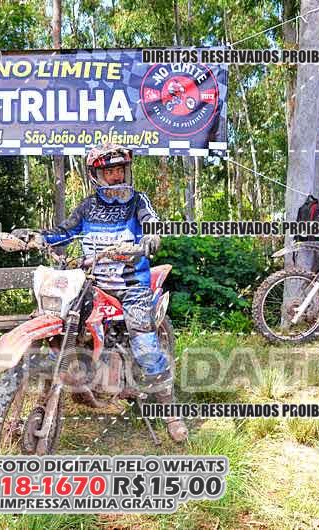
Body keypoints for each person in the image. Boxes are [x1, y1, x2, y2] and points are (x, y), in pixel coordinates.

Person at [12, 144, 188, 443]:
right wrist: (36, 237)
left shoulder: (137, 201)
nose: (116, 176)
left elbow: (151, 221)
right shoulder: (87, 207)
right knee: (64, 322)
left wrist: (151, 237)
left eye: (120, 169)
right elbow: (63, 232)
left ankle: (171, 414)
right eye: (109, 171)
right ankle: (80, 377)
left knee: (144, 343)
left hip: (131, 286)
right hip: (92, 282)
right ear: (96, 175)